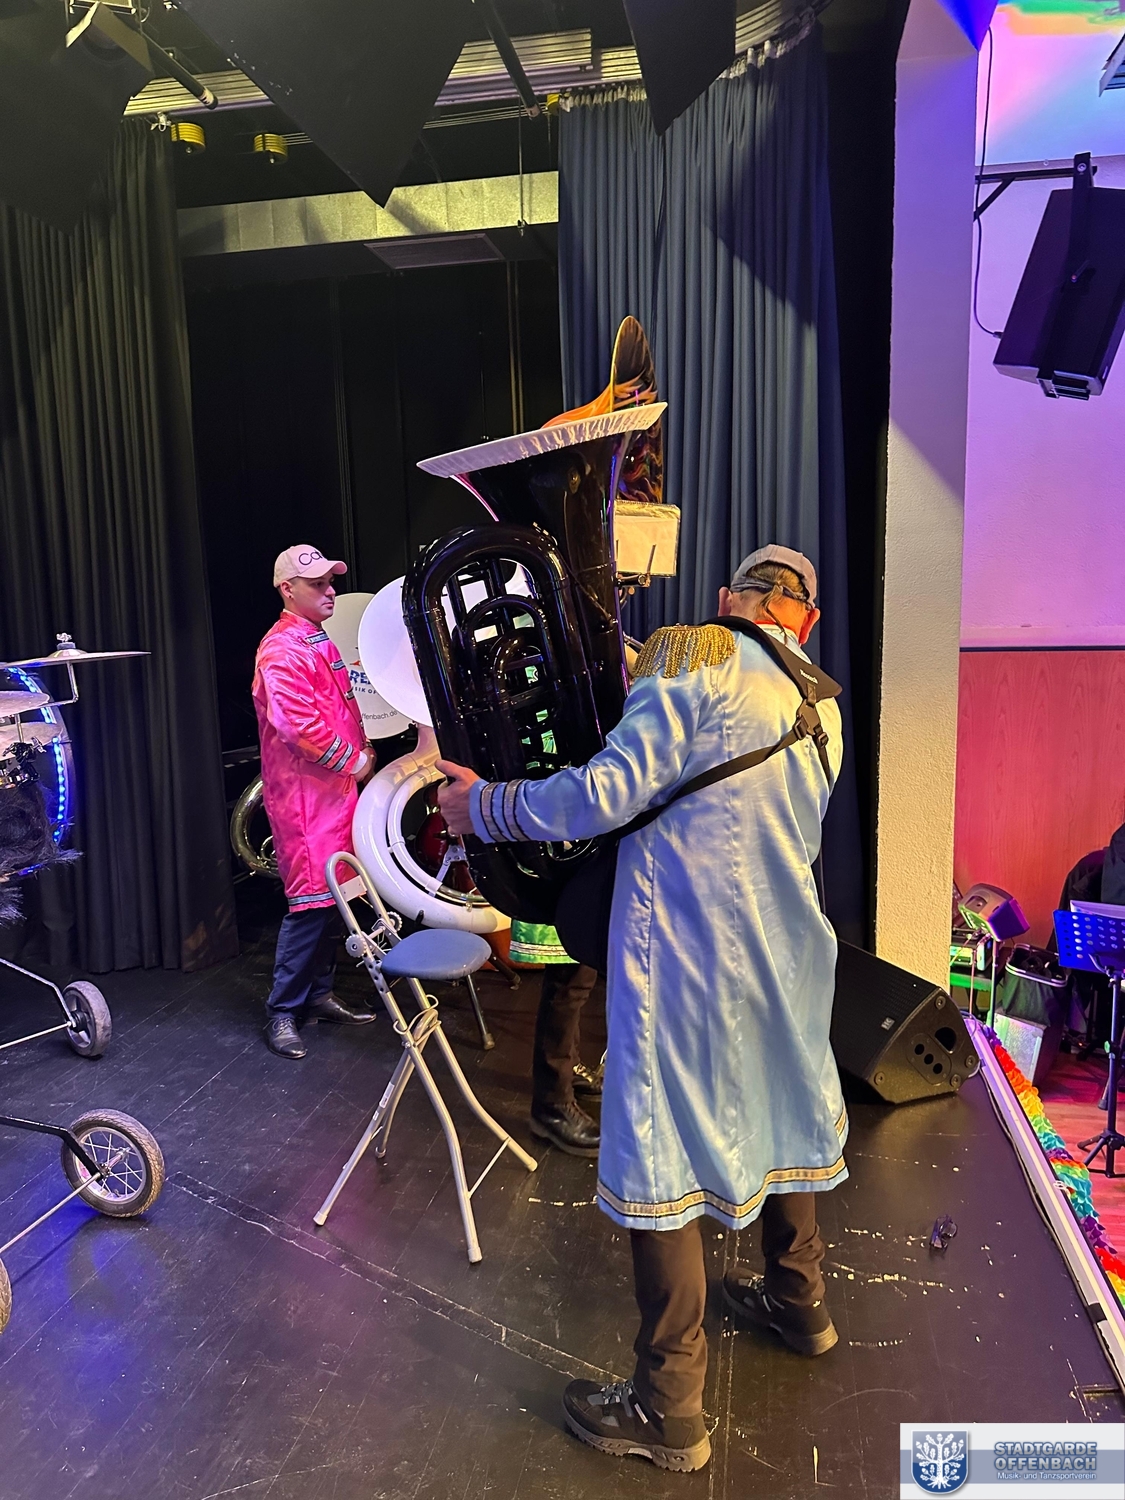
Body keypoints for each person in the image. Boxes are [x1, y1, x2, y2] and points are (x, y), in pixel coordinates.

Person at [438, 546, 846, 1474]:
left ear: (728, 598)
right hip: (789, 949)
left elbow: (604, 794)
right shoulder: (819, 699)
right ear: (806, 619)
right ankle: (799, 1302)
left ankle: (668, 1407)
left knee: (657, 1145)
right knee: (788, 1107)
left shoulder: (692, 652)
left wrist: (486, 806)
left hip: (689, 955)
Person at [253, 545, 376, 1059]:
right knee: (310, 906)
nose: (330, 592)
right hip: (307, 801)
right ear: (288, 590)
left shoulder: (311, 637)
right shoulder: (281, 649)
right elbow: (299, 728)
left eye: (330, 582)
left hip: (332, 794)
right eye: (318, 584)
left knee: (334, 900)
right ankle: (282, 1012)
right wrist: (356, 760)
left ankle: (319, 995)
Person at [509, 918, 603, 1155]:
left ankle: (568, 1067)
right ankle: (552, 1102)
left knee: (580, 976)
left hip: (578, 898)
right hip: (565, 900)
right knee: (568, 982)